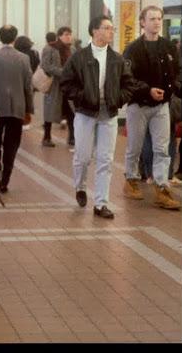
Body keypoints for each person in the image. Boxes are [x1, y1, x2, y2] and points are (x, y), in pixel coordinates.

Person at [60, 15, 137, 218]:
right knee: (83, 157)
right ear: (95, 31)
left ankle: (101, 203)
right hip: (85, 112)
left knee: (106, 159)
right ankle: (80, 187)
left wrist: (118, 99)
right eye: (107, 28)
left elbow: (129, 85)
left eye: (112, 28)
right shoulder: (79, 57)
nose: (111, 31)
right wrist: (82, 96)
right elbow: (66, 83)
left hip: (108, 114)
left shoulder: (117, 58)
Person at [122, 5, 181, 210]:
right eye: (152, 19)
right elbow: (127, 78)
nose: (156, 22)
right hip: (138, 105)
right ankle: (130, 180)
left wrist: (173, 89)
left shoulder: (168, 47)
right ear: (142, 22)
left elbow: (178, 72)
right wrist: (147, 90)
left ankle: (161, 187)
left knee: (162, 149)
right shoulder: (132, 49)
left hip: (162, 106)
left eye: (159, 18)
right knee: (135, 147)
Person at [0, 25, 34, 193]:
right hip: (17, 109)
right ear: (14, 38)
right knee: (12, 145)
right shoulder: (24, 59)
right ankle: (5, 181)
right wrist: (29, 110)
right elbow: (28, 87)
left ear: (0, 37)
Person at [41, 27, 75, 148]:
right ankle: (46, 137)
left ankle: (72, 137)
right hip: (54, 85)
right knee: (50, 111)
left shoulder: (72, 49)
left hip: (68, 86)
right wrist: (62, 72)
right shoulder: (50, 48)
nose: (69, 37)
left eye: (70, 34)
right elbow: (45, 65)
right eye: (66, 34)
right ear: (59, 36)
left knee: (71, 111)